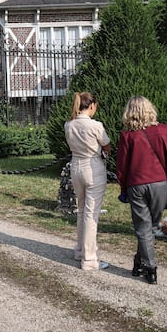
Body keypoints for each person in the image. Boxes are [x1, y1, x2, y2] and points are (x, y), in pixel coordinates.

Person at [115, 96, 167, 284]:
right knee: (149, 227)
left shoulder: (127, 135)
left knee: (144, 228)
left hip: (137, 184)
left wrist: (123, 186)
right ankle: (139, 263)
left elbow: (122, 166)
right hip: (160, 183)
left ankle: (150, 268)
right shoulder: (165, 131)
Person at [64, 91, 111, 271]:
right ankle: (90, 259)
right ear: (91, 106)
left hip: (76, 165)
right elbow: (106, 145)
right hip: (93, 167)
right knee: (92, 214)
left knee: (82, 210)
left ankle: (80, 250)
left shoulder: (69, 125)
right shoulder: (96, 125)